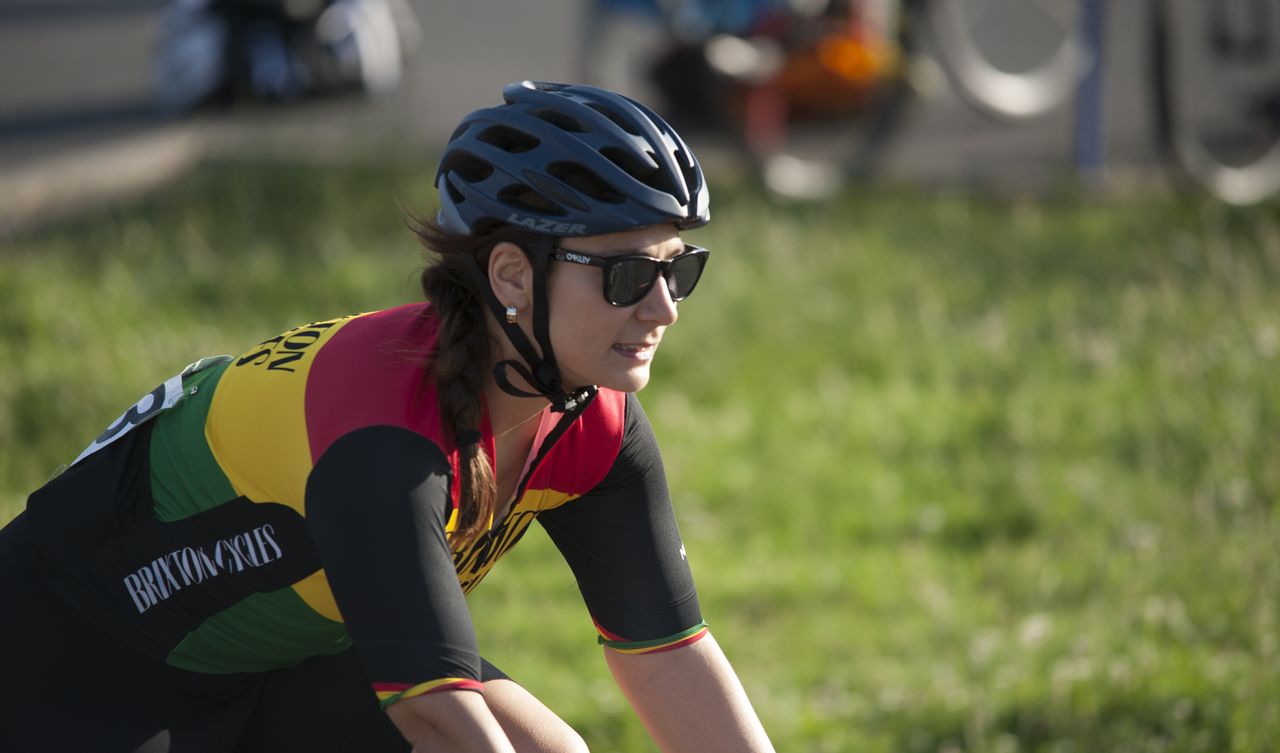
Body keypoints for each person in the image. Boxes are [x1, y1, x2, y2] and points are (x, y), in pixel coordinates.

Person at [0, 81, 776, 753]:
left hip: (277, 660)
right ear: (512, 274)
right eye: (629, 274)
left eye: (680, 268)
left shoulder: (594, 422)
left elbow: (667, 656)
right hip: (64, 666)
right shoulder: (382, 435)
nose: (664, 307)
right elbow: (441, 719)